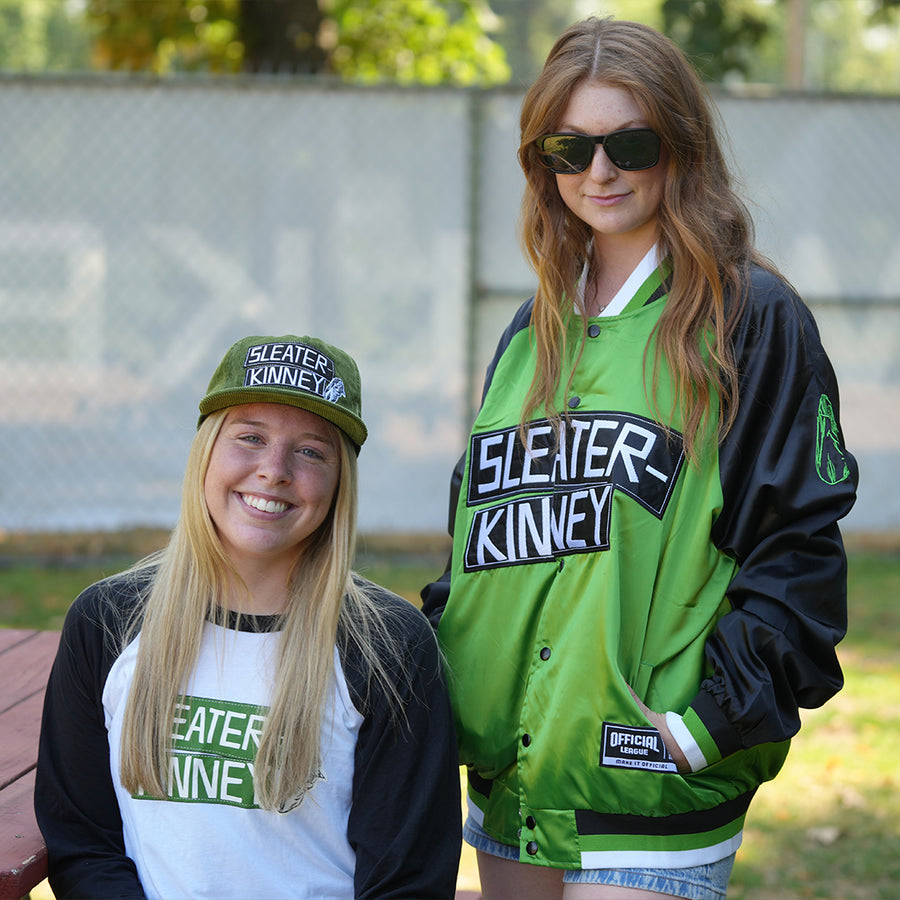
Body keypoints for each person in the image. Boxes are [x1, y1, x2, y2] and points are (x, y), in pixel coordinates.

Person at [421, 16, 858, 900]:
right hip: (512, 787)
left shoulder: (748, 318)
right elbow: (481, 544)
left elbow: (799, 552)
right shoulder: (532, 330)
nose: (600, 172)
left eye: (629, 142)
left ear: (680, 146)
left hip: (649, 786)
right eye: (569, 149)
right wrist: (446, 686)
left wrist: (702, 724)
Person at [36, 334, 462, 900]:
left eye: (311, 451)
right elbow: (84, 844)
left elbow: (406, 879)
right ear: (206, 450)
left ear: (341, 481)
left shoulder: (387, 646)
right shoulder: (107, 621)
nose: (274, 470)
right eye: (250, 438)